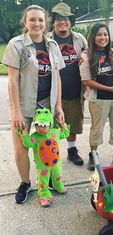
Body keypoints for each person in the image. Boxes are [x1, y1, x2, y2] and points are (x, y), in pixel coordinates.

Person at [2, 5, 65, 204]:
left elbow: (58, 77)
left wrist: (59, 107)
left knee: (49, 144)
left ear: (45, 22)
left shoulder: (53, 45)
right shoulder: (17, 44)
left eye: (40, 20)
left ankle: (50, 180)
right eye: (32, 20)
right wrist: (17, 112)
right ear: (25, 22)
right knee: (21, 147)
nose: (37, 23)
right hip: (24, 104)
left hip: (46, 105)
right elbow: (12, 80)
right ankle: (25, 183)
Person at [80, 23, 113, 171]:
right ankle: (93, 156)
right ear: (93, 37)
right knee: (96, 129)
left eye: (105, 34)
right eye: (99, 34)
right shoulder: (86, 55)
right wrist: (108, 89)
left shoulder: (112, 52)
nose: (103, 37)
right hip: (99, 99)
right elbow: (86, 81)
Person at [47, 2, 88, 166]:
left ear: (71, 22)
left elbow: (90, 54)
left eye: (65, 19)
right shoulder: (47, 39)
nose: (62, 22)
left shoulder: (79, 39)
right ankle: (51, 153)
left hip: (75, 91)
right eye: (58, 18)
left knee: (72, 124)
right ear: (53, 22)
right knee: (52, 126)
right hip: (52, 92)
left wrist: (84, 56)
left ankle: (72, 151)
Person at [18, 108, 69, 207]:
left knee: (57, 175)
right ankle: (44, 195)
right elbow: (27, 144)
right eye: (38, 125)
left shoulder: (55, 132)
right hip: (43, 166)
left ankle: (58, 186)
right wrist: (24, 134)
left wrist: (64, 127)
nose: (41, 128)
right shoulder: (35, 137)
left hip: (56, 163)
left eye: (44, 125)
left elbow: (65, 134)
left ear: (50, 124)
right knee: (43, 180)